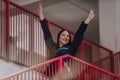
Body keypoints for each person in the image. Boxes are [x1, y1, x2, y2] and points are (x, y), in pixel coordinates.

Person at [38, 3, 95, 79]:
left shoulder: (71, 48)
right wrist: (41, 15)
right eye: (63, 35)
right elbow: (46, 32)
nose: (66, 37)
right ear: (58, 38)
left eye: (68, 36)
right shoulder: (53, 47)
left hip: (63, 75)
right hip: (49, 74)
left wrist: (87, 20)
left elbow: (79, 34)